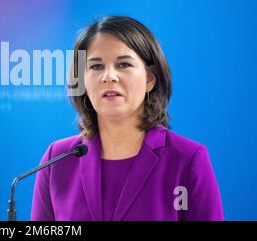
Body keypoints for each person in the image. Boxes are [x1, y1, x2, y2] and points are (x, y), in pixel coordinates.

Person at [31, 16, 224, 221]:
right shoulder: (58, 160)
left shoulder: (187, 159)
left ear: (150, 79)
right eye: (96, 66)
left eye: (123, 64)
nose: (109, 76)